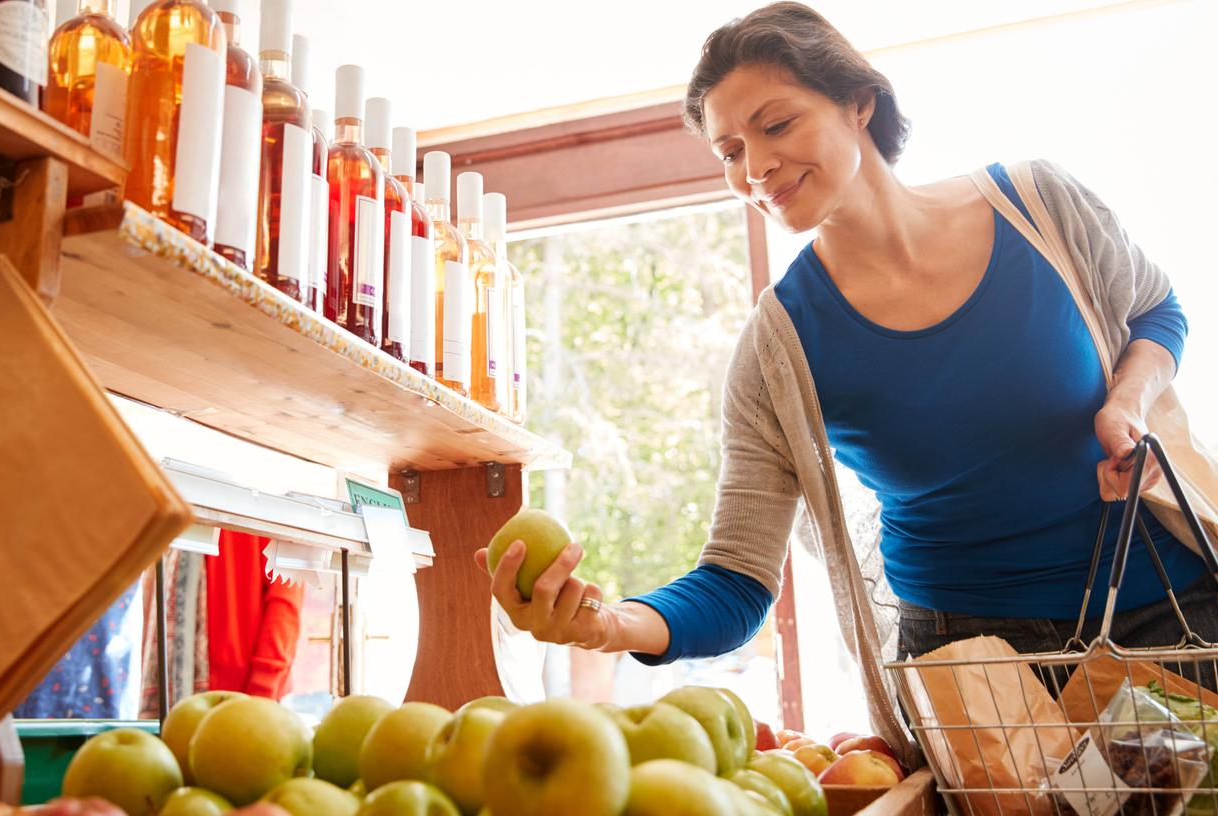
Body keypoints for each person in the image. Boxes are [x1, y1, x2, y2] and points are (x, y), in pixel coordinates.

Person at [476, 1, 1217, 757]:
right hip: (974, 672)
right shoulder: (780, 344)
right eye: (728, 150)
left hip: (1168, 615)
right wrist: (606, 624)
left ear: (857, 102)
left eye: (775, 125)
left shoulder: (1038, 205)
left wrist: (1125, 402)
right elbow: (735, 579)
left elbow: (1156, 311)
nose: (752, 168)